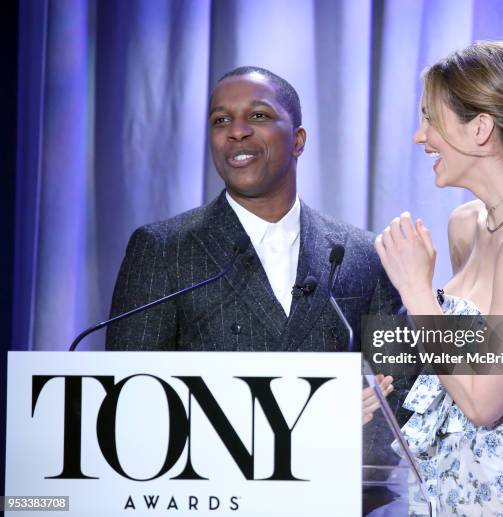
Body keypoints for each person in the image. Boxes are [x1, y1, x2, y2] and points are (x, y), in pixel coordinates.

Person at [104, 67, 408, 509]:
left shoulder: (361, 253)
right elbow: (130, 402)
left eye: (259, 116)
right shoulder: (164, 249)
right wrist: (310, 422)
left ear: (299, 140)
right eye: (221, 120)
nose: (237, 132)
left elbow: (393, 397)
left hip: (336, 501)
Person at [375, 42, 503, 515]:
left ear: (481, 128)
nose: (418, 135)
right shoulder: (466, 225)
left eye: (430, 119)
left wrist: (416, 292)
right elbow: (456, 361)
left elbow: (483, 403)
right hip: (451, 488)